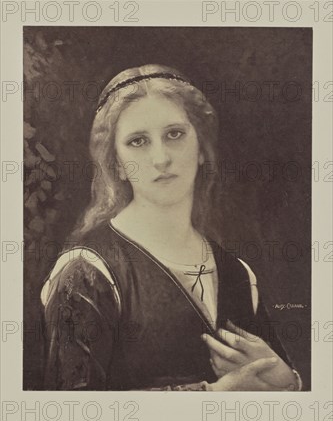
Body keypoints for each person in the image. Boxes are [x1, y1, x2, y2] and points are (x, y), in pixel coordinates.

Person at [40, 64, 302, 391]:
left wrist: (287, 383)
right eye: (138, 141)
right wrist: (212, 395)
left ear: (202, 147)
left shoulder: (238, 275)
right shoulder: (86, 272)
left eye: (174, 134)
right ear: (118, 164)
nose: (161, 158)